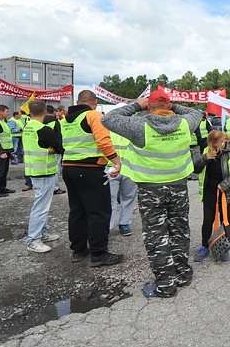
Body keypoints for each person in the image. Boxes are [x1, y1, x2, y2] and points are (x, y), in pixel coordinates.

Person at [102, 89, 201, 297]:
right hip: (178, 186)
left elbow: (109, 119)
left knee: (157, 236)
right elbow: (197, 113)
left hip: (151, 189)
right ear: (169, 106)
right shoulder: (185, 123)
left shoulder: (139, 126)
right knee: (180, 230)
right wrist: (172, 105)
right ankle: (183, 274)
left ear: (150, 106)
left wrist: (138, 105)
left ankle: (165, 285)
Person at [61, 90, 123, 267]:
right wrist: (116, 162)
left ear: (77, 101)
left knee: (77, 210)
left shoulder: (66, 119)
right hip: (89, 169)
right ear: (94, 102)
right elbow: (103, 141)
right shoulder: (94, 115)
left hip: (69, 168)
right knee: (98, 211)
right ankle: (99, 253)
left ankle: (79, 250)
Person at [192, 130, 230, 263]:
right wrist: (205, 158)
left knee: (225, 220)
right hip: (210, 192)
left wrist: (225, 184)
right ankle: (205, 246)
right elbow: (195, 169)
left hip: (228, 193)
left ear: (223, 140)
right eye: (212, 144)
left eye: (217, 144)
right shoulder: (207, 150)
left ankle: (223, 248)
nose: (215, 147)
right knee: (207, 221)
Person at [22, 100, 64, 253]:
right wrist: (54, 147)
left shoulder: (28, 127)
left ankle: (42, 233)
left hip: (34, 169)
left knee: (42, 205)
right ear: (46, 112)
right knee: (41, 207)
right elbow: (60, 146)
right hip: (45, 171)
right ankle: (33, 239)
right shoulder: (43, 129)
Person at [106, 128, 139, 237]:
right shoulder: (108, 129)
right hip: (111, 168)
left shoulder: (134, 129)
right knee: (109, 198)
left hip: (130, 168)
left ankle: (124, 223)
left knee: (129, 197)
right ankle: (107, 226)